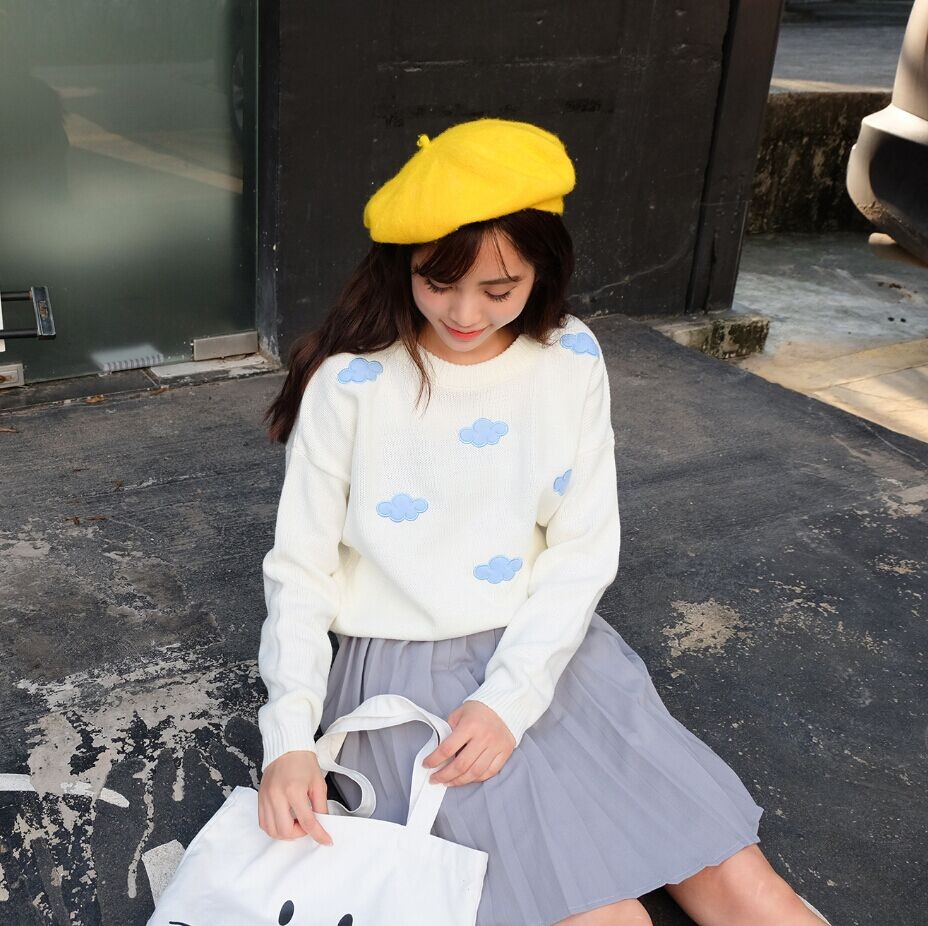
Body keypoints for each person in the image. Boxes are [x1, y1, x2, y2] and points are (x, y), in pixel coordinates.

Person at [255, 118, 833, 926]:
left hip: (553, 654)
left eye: (499, 290)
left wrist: (510, 699)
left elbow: (582, 549)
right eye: (436, 282)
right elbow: (301, 572)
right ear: (402, 263)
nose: (464, 312)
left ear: (543, 270)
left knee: (747, 889)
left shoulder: (570, 358)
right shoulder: (350, 385)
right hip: (405, 674)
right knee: (606, 919)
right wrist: (287, 740)